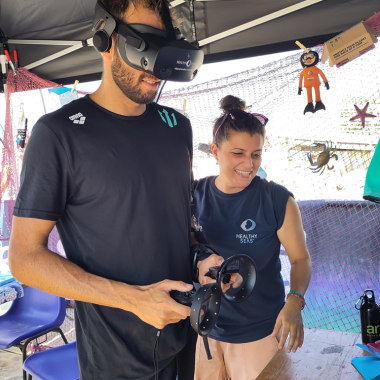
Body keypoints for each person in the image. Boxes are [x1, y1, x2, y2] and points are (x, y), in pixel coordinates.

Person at [8, 1, 223, 379]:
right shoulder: (59, 134)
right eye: (145, 44)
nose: (155, 65)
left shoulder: (178, 128)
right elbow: (24, 259)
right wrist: (134, 300)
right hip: (114, 361)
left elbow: (177, 226)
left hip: (181, 341)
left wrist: (202, 258)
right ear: (104, 39)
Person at [193, 95, 312, 380]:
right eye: (238, 153)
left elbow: (301, 259)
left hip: (260, 333)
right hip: (207, 332)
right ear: (215, 151)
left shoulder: (275, 199)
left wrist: (294, 301)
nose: (249, 164)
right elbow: (184, 248)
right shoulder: (193, 196)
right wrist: (199, 260)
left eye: (256, 154)